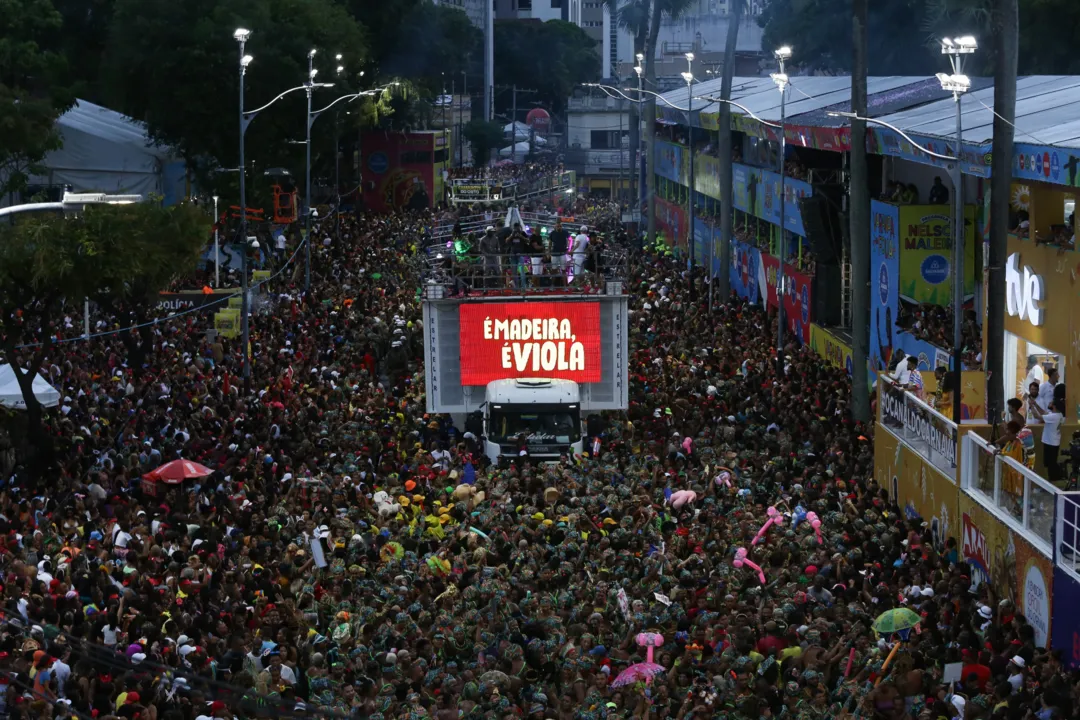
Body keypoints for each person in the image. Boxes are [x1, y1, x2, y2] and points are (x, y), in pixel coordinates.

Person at [1030, 398, 1064, 482]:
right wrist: (1035, 404)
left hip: (1051, 443)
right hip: (1052, 442)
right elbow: (1043, 413)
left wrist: (1031, 405)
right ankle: (1051, 482)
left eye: (1051, 403)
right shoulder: (1058, 414)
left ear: (1054, 406)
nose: (1049, 403)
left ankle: (1052, 484)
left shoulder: (1053, 416)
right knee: (1050, 464)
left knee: (1051, 466)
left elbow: (1037, 416)